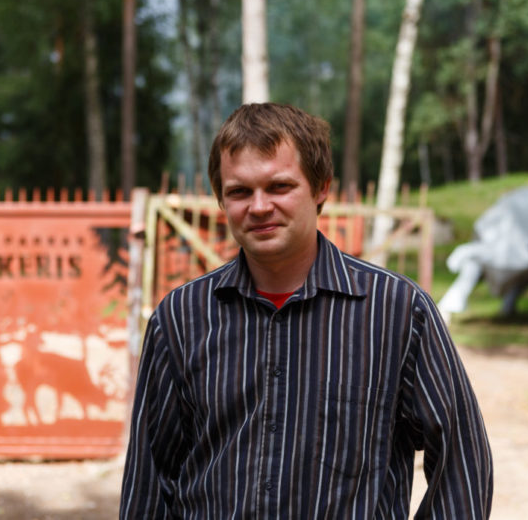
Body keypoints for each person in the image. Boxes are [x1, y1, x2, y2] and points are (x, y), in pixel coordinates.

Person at [120, 103, 493, 518]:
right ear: (221, 199)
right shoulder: (180, 318)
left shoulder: (399, 312)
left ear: (321, 189)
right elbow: (149, 481)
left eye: (279, 187)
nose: (259, 206)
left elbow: (463, 464)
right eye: (240, 191)